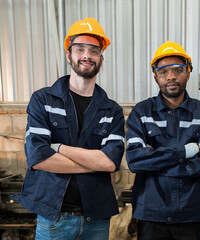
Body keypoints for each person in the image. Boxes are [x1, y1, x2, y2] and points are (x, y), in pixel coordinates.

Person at [10, 18, 125, 239]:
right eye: (80, 49)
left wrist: (59, 147)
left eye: (93, 51)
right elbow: (39, 158)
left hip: (96, 220)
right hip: (54, 218)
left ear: (101, 58)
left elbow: (110, 163)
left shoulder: (112, 110)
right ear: (68, 55)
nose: (86, 56)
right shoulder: (43, 100)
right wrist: (93, 164)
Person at [126, 40, 200, 240]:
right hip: (151, 215)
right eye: (163, 71)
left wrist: (155, 163)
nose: (171, 77)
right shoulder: (141, 112)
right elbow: (135, 160)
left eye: (178, 69)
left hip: (191, 215)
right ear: (155, 76)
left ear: (188, 72)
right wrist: (184, 153)